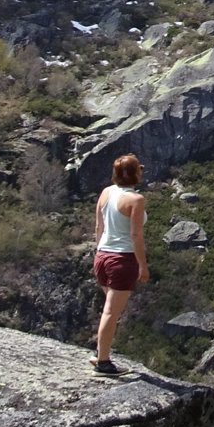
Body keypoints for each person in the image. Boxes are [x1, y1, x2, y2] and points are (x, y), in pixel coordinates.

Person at [90, 153, 149, 374]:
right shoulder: (136, 200)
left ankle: (101, 353)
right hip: (122, 259)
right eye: (139, 169)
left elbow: (98, 226)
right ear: (135, 174)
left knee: (110, 310)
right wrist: (142, 265)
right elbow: (136, 235)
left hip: (103, 256)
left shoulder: (106, 192)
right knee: (111, 313)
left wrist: (99, 252)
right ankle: (103, 361)